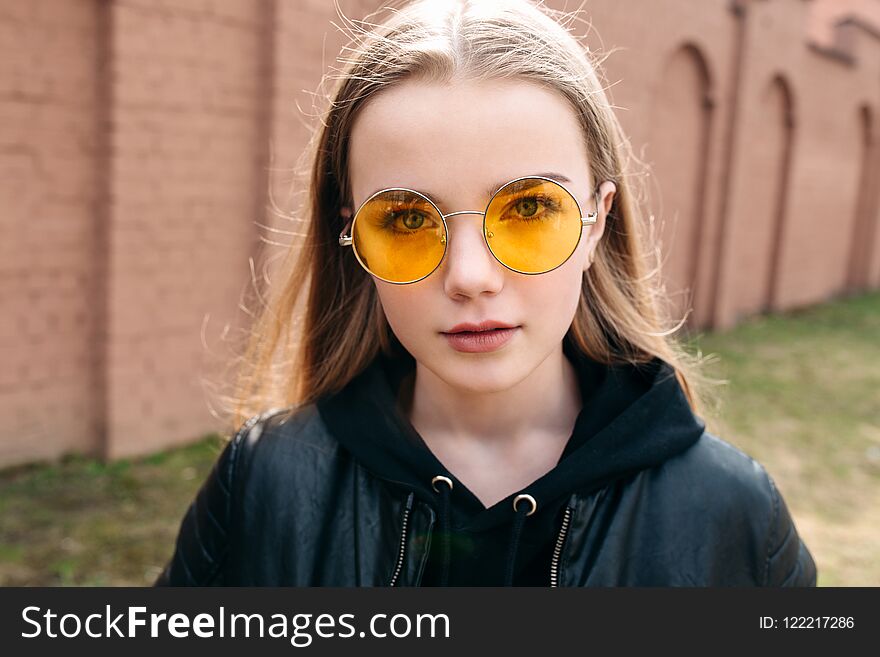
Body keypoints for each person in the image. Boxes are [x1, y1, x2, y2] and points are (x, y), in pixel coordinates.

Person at [155, 0, 816, 587]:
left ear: (597, 222)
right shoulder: (265, 483)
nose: (470, 276)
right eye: (408, 219)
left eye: (529, 208)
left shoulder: (736, 518)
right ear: (352, 239)